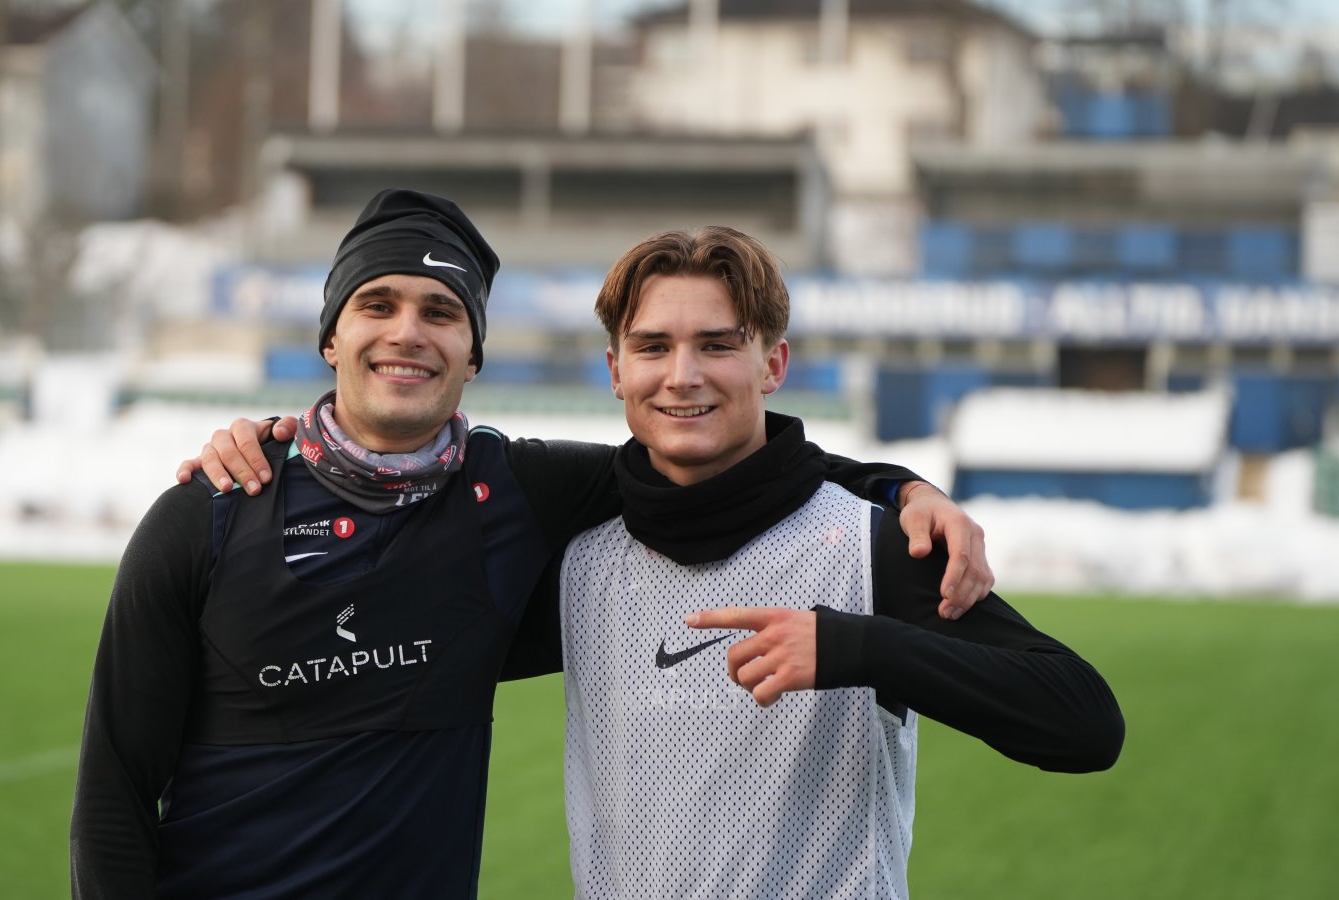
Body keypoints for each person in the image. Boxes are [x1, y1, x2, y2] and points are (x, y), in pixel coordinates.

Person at [73, 189, 988, 899]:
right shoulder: (211, 513)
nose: (407, 332)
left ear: (472, 353)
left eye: (442, 312)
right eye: (377, 304)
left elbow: (719, 455)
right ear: (331, 337)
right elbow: (112, 798)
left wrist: (897, 486)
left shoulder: (516, 491)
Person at [544, 226, 1123, 897]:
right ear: (617, 371)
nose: (682, 375)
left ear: (773, 365)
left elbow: (1087, 725)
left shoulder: (872, 546)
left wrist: (861, 647)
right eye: (652, 347)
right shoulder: (577, 558)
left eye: (717, 344)